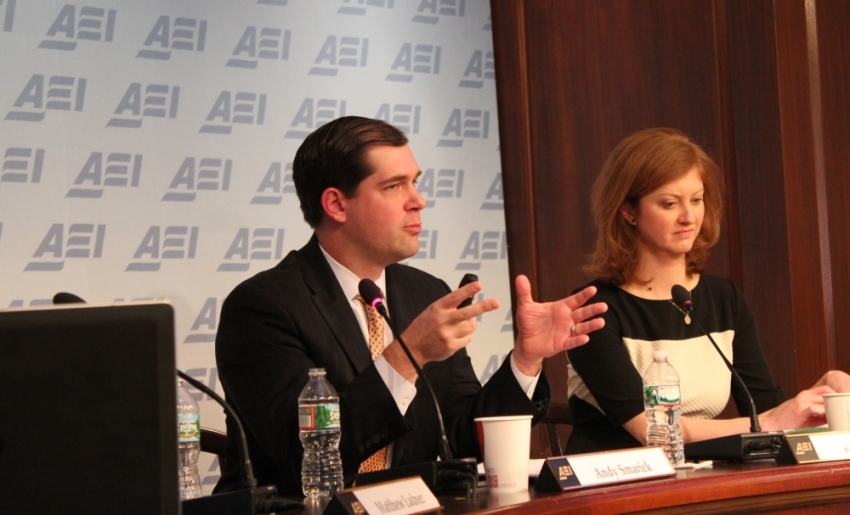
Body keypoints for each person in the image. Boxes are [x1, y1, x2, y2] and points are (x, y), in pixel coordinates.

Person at [214, 116, 607, 495]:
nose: (418, 201)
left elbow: (461, 438)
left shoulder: (424, 293)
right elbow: (307, 457)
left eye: (414, 183)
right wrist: (408, 354)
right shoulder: (262, 307)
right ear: (336, 204)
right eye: (393, 186)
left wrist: (525, 360)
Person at [566, 127, 850, 454]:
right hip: (616, 482)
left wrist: (823, 395)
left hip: (703, 474)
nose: (689, 217)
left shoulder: (723, 298)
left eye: (697, 200)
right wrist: (773, 422)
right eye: (670, 203)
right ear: (629, 211)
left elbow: (765, 408)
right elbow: (653, 429)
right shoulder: (593, 308)